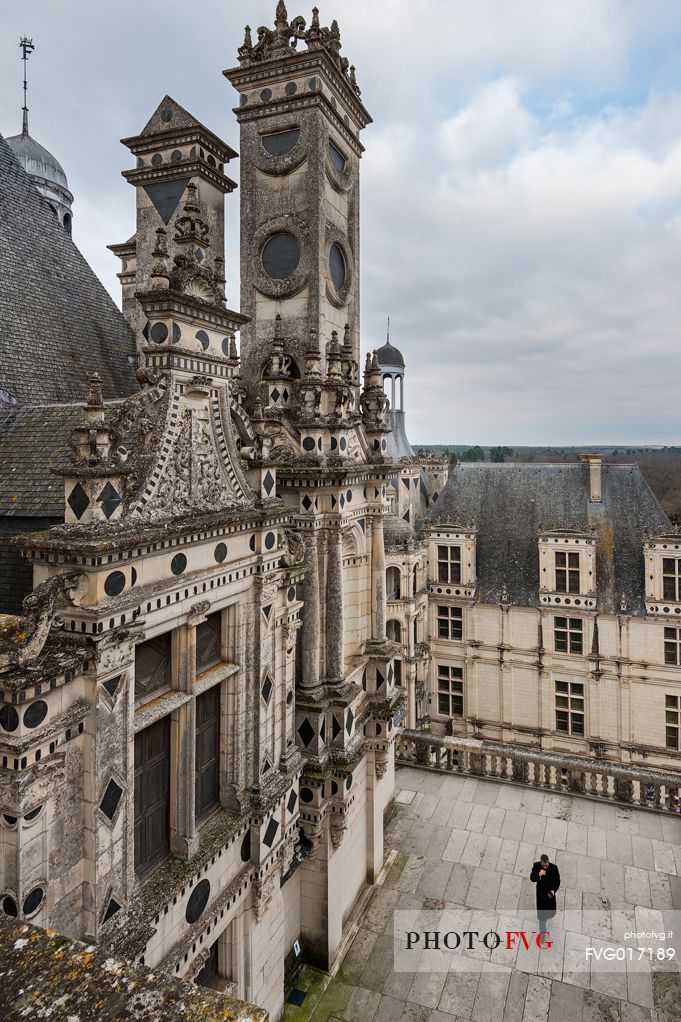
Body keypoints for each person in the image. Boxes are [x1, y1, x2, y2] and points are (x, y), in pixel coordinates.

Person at [530, 853, 560, 921]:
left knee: (550, 910)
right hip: (541, 894)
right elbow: (532, 878)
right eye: (543, 865)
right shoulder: (536, 866)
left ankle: (549, 916)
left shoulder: (554, 868)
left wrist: (553, 890)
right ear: (541, 862)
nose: (545, 867)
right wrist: (539, 874)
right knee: (541, 916)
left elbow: (557, 882)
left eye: (546, 865)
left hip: (550, 893)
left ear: (548, 861)